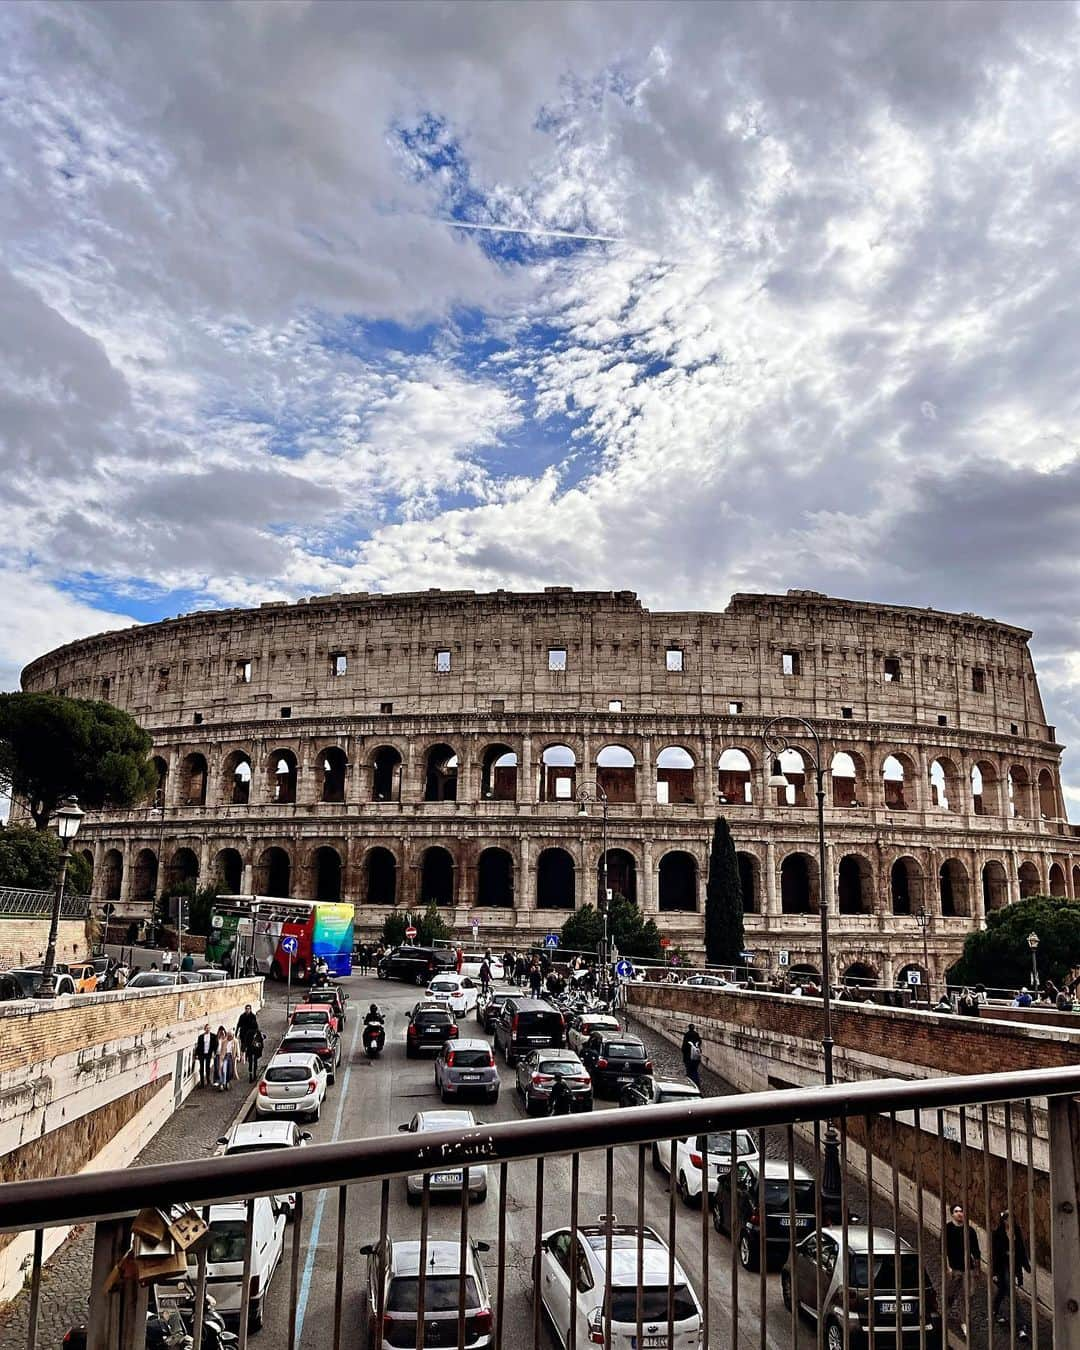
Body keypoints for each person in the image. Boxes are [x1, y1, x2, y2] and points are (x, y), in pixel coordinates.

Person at [945, 1202, 982, 1337]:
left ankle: (964, 1321)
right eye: (956, 1211)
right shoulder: (947, 1229)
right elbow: (943, 1249)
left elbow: (976, 1251)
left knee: (968, 1295)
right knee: (951, 1293)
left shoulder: (970, 1231)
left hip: (968, 1269)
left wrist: (977, 1268)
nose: (959, 1213)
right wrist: (947, 1266)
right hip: (954, 1269)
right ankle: (946, 1311)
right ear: (952, 1214)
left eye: (961, 1211)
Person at [991, 1209, 1031, 1332]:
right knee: (1013, 1294)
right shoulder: (997, 1234)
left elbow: (1021, 1249)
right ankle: (1021, 1324)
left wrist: (1026, 1265)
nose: (1010, 1220)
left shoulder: (1017, 1231)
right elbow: (995, 1254)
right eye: (1007, 1218)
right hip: (1003, 1267)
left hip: (1015, 1265)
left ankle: (994, 1310)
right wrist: (994, 1273)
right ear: (1003, 1220)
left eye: (1011, 1218)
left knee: (1003, 1290)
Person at [236, 1004, 261, 1080]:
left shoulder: (253, 1016)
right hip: (244, 1035)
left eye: (248, 1009)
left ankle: (254, 1073)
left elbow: (256, 1027)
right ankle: (242, 1056)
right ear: (245, 1009)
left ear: (250, 1009)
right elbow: (238, 1025)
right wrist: (236, 1033)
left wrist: (257, 1034)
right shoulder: (242, 1016)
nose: (247, 1010)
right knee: (244, 1046)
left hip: (251, 1035)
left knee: (254, 1055)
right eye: (246, 1009)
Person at [215, 1025, 235, 1091]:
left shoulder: (234, 1041)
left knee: (230, 1071)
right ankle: (222, 1084)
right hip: (222, 1056)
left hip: (230, 1056)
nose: (230, 1037)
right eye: (229, 1036)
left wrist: (238, 1056)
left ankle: (227, 1082)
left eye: (231, 1036)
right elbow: (220, 1050)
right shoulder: (223, 1041)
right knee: (222, 1070)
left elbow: (235, 1049)